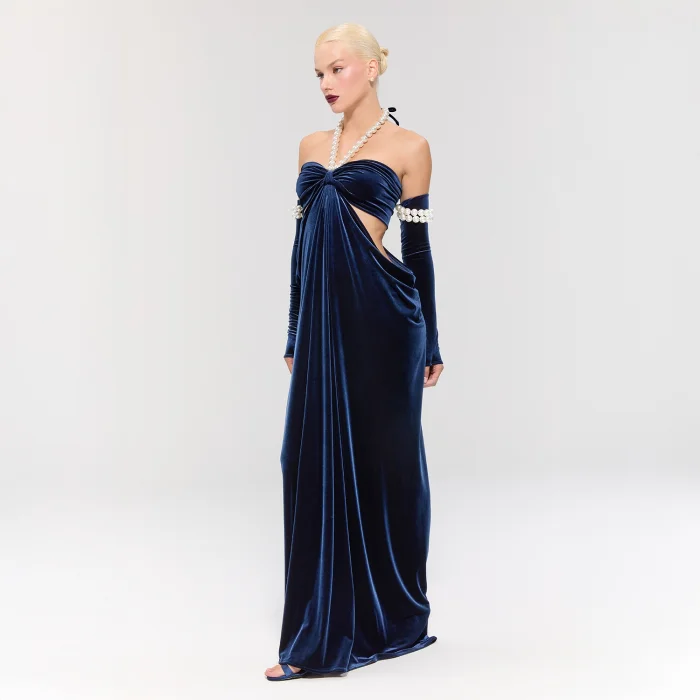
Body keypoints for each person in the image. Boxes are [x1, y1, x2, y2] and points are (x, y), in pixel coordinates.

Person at [265, 22, 445, 681]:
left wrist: (432, 338)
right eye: (319, 73)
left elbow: (417, 251)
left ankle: (394, 617)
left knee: (387, 464)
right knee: (303, 459)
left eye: (337, 69)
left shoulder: (410, 147)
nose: (326, 83)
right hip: (323, 325)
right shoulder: (311, 147)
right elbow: (301, 249)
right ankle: (318, 631)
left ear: (371, 68)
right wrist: (295, 329)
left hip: (385, 324)